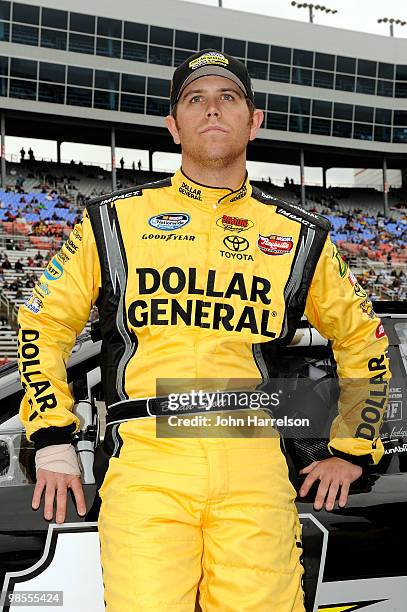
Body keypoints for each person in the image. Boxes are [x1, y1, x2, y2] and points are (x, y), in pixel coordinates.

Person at [17, 49, 390, 611]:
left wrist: (354, 447)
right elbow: (43, 323)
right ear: (173, 125)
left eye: (228, 98)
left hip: (254, 461)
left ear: (254, 120)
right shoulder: (110, 221)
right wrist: (51, 439)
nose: (212, 109)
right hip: (145, 461)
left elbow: (364, 337)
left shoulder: (299, 235)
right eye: (195, 99)